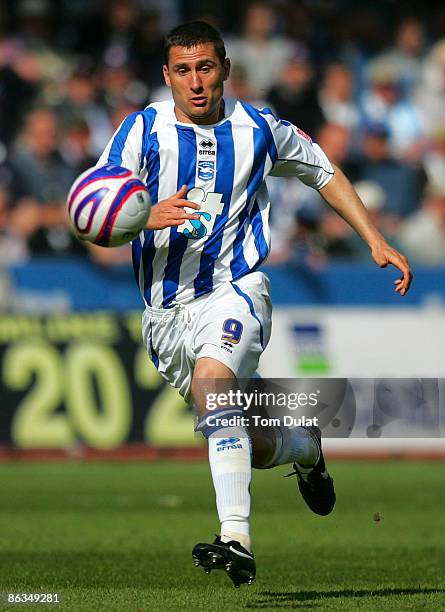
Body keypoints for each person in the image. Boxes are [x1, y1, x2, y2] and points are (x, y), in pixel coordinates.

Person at [96, 21, 412, 587]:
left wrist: (373, 237)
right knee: (253, 435)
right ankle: (304, 446)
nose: (196, 83)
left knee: (214, 384)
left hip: (236, 289)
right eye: (183, 71)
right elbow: (94, 219)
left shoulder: (260, 127)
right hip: (165, 316)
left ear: (225, 70)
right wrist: (141, 216)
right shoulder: (140, 131)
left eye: (206, 68)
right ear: (166, 76)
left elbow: (322, 169)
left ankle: (235, 536)